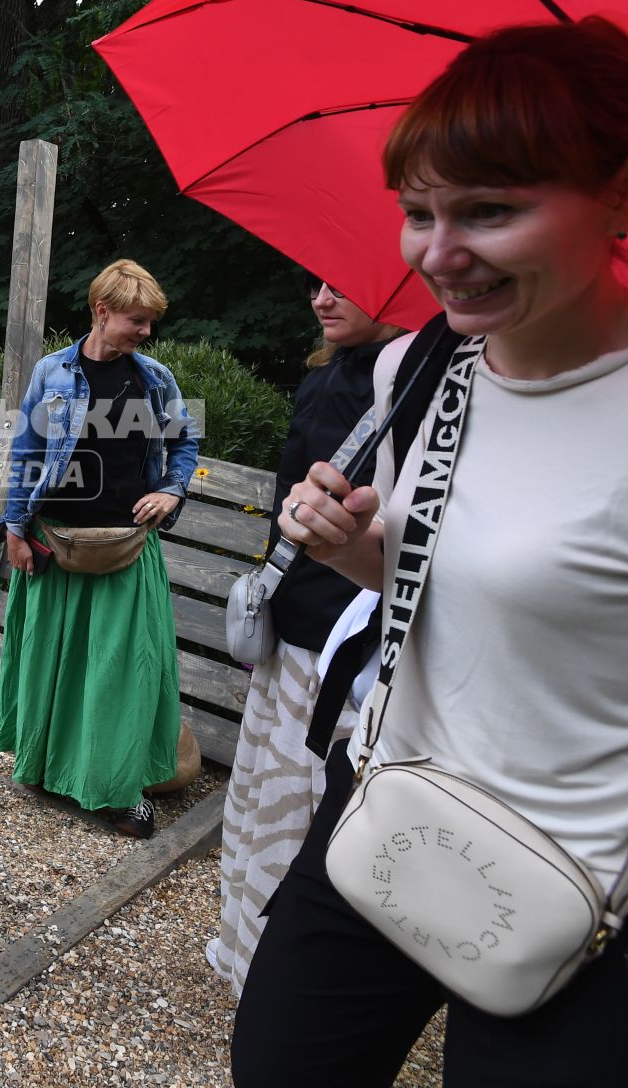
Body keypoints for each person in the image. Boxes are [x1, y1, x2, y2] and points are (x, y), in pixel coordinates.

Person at [232, 18, 628, 1087]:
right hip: (385, 819)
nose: (439, 252)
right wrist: (352, 550)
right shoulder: (426, 364)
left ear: (624, 193)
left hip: (594, 907)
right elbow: (438, 581)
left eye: (491, 210)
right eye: (418, 212)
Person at [207, 281, 401, 993]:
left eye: (344, 283)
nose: (322, 297)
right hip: (296, 629)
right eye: (315, 280)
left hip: (343, 649)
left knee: (299, 814)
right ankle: (248, 951)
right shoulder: (328, 375)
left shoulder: (409, 384)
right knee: (266, 803)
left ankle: (276, 972)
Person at [0, 259, 200, 839]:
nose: (146, 333)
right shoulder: (51, 374)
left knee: (120, 674)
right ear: (101, 312)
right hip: (56, 544)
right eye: (138, 320)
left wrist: (170, 488)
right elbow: (27, 450)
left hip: (126, 552)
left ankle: (117, 788)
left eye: (151, 323)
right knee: (49, 664)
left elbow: (186, 439)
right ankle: (45, 767)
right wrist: (14, 529)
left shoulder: (153, 378)